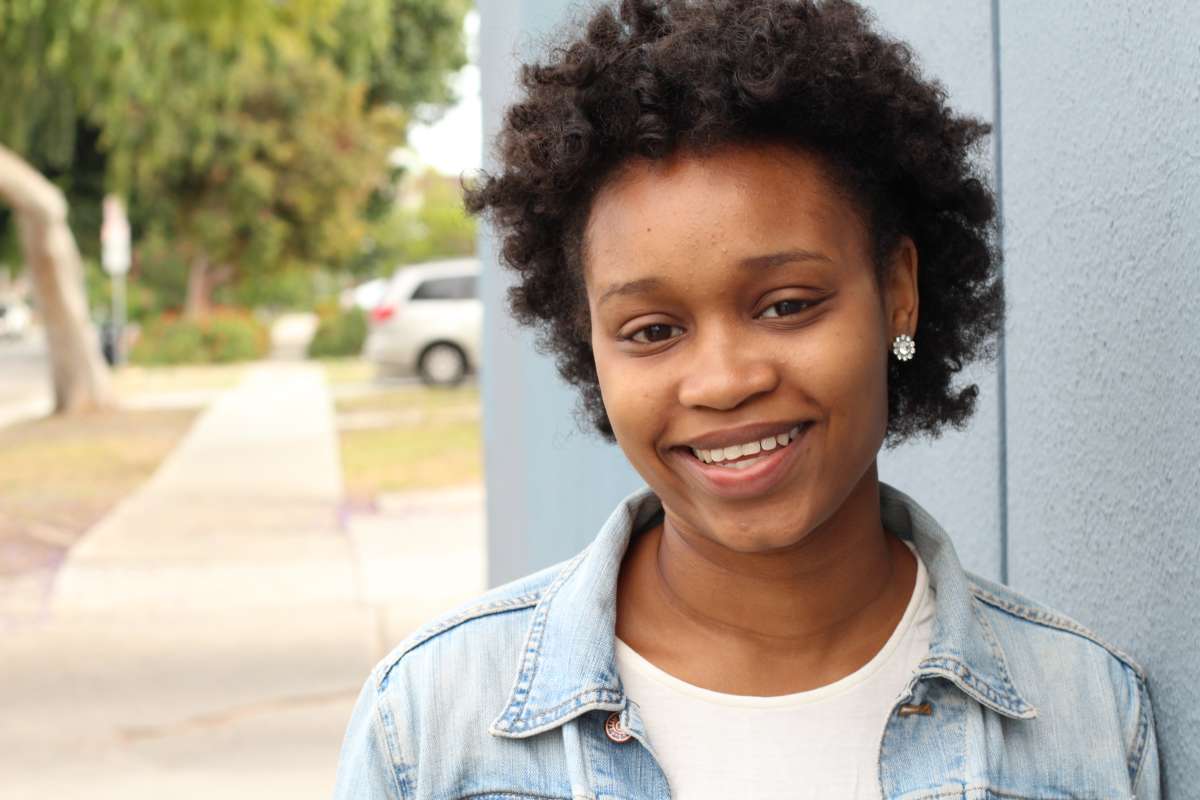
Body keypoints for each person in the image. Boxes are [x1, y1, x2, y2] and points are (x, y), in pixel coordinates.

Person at [333, 1, 1162, 797]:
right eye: (652, 330)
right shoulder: (433, 727)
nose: (725, 381)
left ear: (898, 291)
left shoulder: (1087, 716)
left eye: (787, 306)